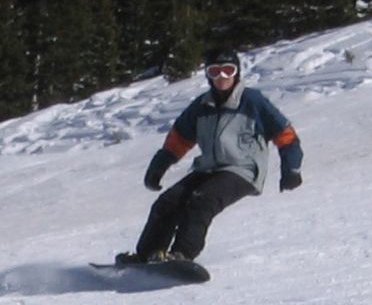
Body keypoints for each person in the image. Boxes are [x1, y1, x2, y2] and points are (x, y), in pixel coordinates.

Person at [117, 47, 303, 263]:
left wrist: (292, 169)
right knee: (167, 202)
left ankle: (182, 255)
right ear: (207, 75)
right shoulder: (202, 106)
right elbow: (178, 139)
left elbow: (286, 135)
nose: (222, 77)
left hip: (243, 169)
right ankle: (149, 254)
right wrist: (158, 167)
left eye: (228, 70)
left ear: (237, 73)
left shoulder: (252, 101)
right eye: (215, 71)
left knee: (202, 200)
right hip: (209, 168)